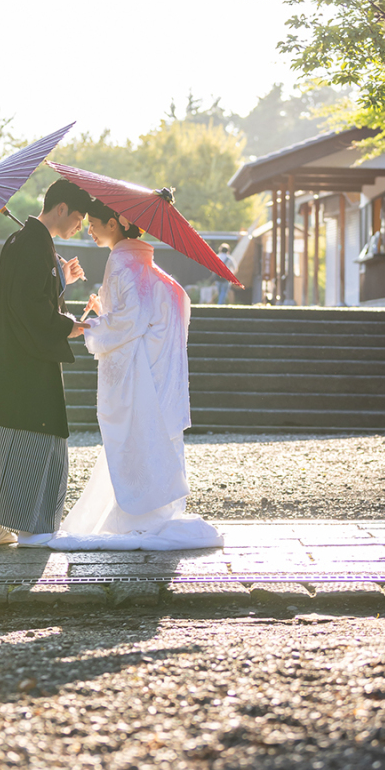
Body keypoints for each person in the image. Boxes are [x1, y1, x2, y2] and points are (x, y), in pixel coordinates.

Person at [48, 197, 222, 552]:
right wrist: (105, 311)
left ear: (114, 224)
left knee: (135, 440)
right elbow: (147, 310)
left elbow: (130, 318)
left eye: (93, 224)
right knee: (149, 440)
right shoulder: (143, 262)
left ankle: (139, 518)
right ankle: (152, 511)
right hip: (157, 371)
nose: (90, 230)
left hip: (138, 374)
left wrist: (91, 325)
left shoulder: (121, 261)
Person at [0, 178, 92, 547]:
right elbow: (30, 306)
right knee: (31, 438)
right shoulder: (33, 244)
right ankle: (30, 527)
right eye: (78, 219)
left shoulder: (24, 241)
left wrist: (60, 278)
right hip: (25, 362)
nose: (79, 227)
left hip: (6, 355)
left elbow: (28, 296)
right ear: (61, 208)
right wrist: (68, 326)